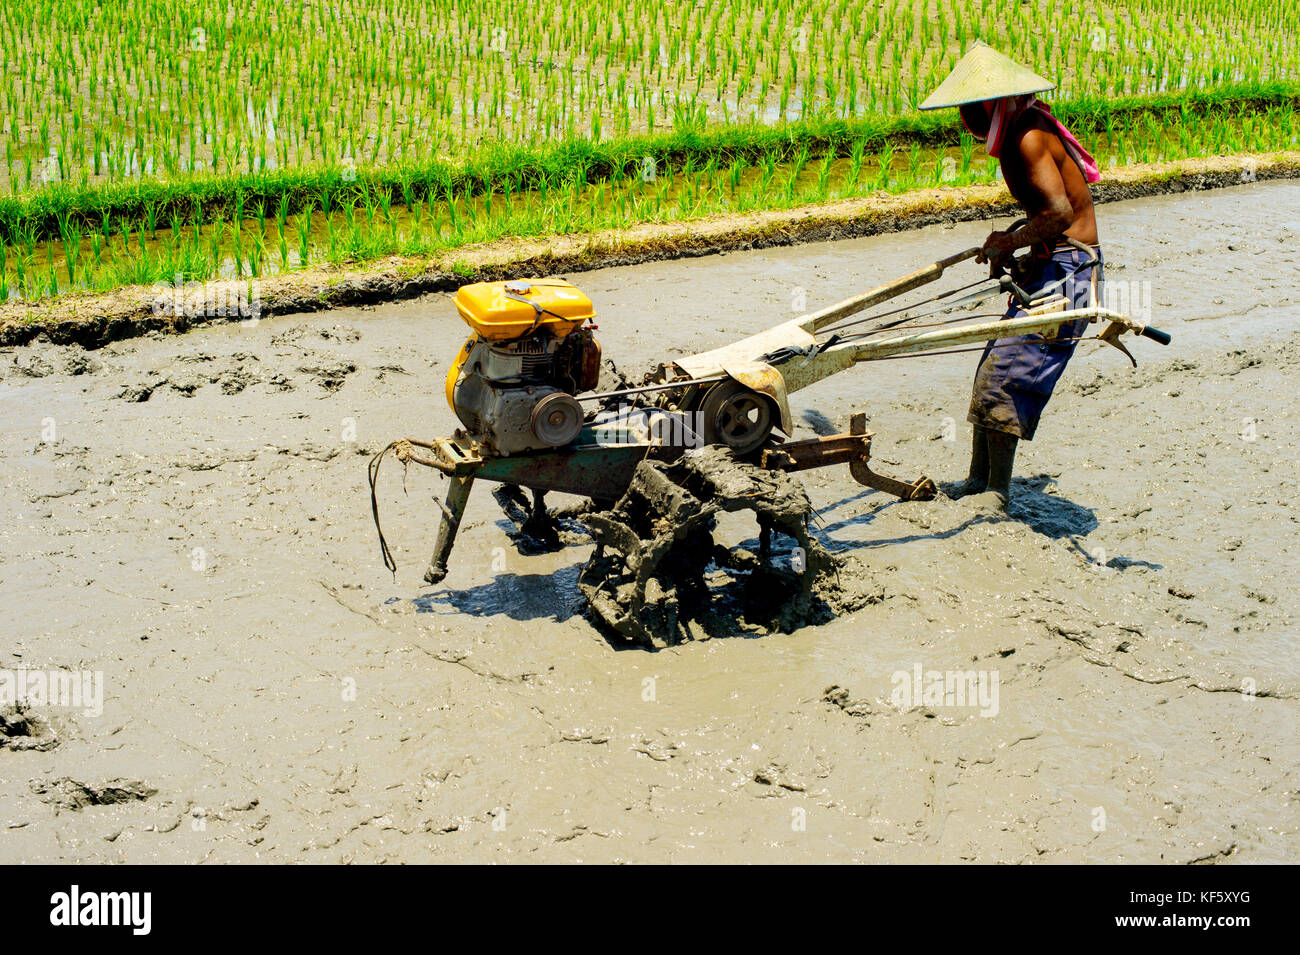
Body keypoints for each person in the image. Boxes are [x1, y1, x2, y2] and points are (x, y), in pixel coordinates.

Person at [920, 42, 1105, 513]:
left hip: (1069, 272)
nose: (965, 117)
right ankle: (978, 480)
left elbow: (1061, 214)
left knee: (1008, 374)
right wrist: (1015, 240)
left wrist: (1010, 242)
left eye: (969, 107)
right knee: (991, 367)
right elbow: (1047, 213)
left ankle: (997, 494)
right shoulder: (1022, 130)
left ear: (989, 104)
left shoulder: (1027, 136)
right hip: (1051, 263)